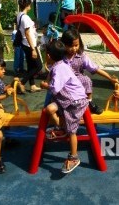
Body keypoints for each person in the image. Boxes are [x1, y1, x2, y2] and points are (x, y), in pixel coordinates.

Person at [40, 40, 89, 173]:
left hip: (75, 102)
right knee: (49, 109)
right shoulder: (59, 65)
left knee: (72, 131)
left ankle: (74, 157)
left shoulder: (59, 68)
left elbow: (54, 89)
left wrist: (45, 85)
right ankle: (61, 128)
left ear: (48, 56)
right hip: (66, 99)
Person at [61, 28, 119, 114]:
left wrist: (110, 78)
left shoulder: (81, 56)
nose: (74, 49)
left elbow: (95, 69)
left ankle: (88, 103)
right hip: (64, 81)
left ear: (79, 44)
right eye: (70, 46)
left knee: (86, 80)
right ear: (63, 44)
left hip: (77, 79)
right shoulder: (60, 56)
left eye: (76, 45)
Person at [16, 0, 43, 93]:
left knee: (31, 66)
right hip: (29, 44)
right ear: (27, 4)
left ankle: (32, 85)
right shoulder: (26, 18)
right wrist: (33, 49)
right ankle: (22, 82)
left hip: (24, 43)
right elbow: (27, 34)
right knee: (38, 66)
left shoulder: (19, 15)